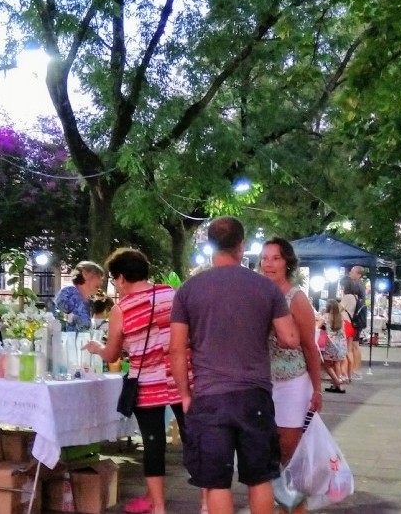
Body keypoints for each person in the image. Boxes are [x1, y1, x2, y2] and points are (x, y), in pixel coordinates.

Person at [169, 216, 300, 514]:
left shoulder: (189, 290)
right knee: (260, 478)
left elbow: (176, 349)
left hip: (209, 397)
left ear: (210, 246)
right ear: (242, 246)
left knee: (216, 483)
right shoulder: (266, 289)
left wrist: (186, 395)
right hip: (254, 395)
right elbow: (290, 338)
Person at [84, 248, 187, 514]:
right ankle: (210, 500)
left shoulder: (121, 309)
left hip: (148, 384)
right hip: (182, 378)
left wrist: (97, 347)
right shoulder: (171, 294)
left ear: (120, 278)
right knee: (195, 438)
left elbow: (113, 353)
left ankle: (158, 505)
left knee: (154, 443)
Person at [259, 237, 323, 495]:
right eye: (265, 258)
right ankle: (276, 501)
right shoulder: (258, 293)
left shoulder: (296, 299)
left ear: (287, 263)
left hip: (293, 383)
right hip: (262, 384)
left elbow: (310, 346)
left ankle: (292, 504)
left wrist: (317, 389)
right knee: (265, 453)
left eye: (276, 258)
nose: (269, 264)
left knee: (289, 452)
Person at [54, 261, 105, 331]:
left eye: (102, 279)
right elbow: (58, 319)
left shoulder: (89, 302)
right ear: (85, 274)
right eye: (98, 277)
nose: (101, 282)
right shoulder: (69, 292)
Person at [318, 299, 347, 393]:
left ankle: (337, 382)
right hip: (342, 345)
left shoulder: (326, 316)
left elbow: (317, 326)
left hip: (331, 344)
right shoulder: (341, 317)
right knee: (336, 363)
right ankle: (337, 386)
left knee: (326, 365)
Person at [339, 275, 363, 382]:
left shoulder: (347, 297)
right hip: (351, 325)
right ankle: (350, 375)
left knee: (342, 351)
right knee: (349, 350)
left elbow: (339, 309)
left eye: (342, 286)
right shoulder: (355, 297)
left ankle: (343, 374)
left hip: (344, 324)